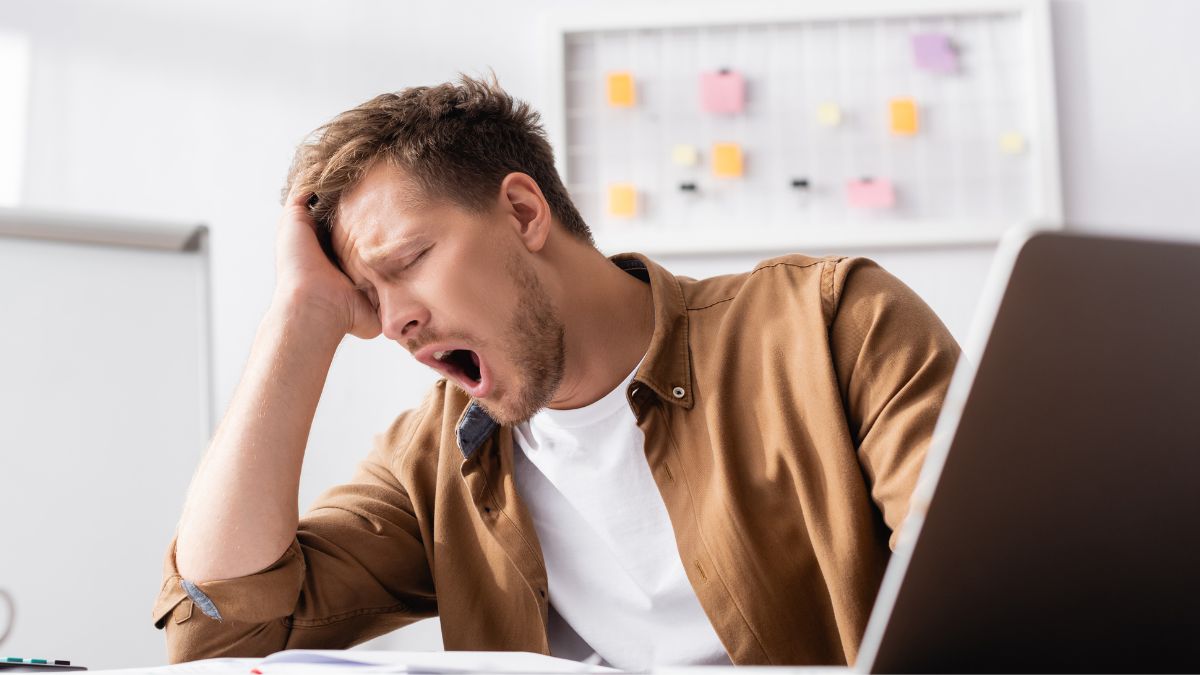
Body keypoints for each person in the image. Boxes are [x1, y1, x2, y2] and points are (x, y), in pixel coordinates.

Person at [152, 75, 961, 670]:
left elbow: (989, 601)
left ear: (524, 212)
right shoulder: (430, 457)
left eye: (407, 263)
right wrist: (299, 318)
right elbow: (222, 628)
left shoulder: (830, 325)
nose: (392, 320)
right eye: (364, 298)